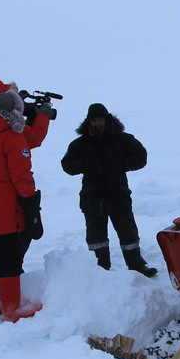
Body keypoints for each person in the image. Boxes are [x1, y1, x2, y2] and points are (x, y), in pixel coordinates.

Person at [0, 77, 55, 321]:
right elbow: (21, 176)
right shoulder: (11, 132)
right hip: (8, 204)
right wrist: (30, 203)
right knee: (10, 255)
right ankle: (12, 309)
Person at [61, 103, 157, 277]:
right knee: (96, 237)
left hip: (118, 195)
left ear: (107, 120)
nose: (97, 123)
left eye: (100, 120)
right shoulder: (80, 144)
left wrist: (121, 164)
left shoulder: (123, 140)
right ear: (88, 122)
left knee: (128, 233)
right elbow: (67, 164)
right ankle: (100, 271)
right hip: (92, 197)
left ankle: (137, 266)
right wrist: (85, 165)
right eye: (94, 121)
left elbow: (141, 156)